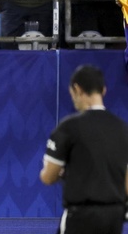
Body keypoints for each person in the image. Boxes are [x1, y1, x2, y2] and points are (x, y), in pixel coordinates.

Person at [40, 65, 128, 234]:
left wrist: (64, 172)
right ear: (103, 90)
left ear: (76, 89)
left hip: (81, 216)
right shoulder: (123, 129)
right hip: (114, 217)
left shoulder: (68, 127)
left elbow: (48, 177)